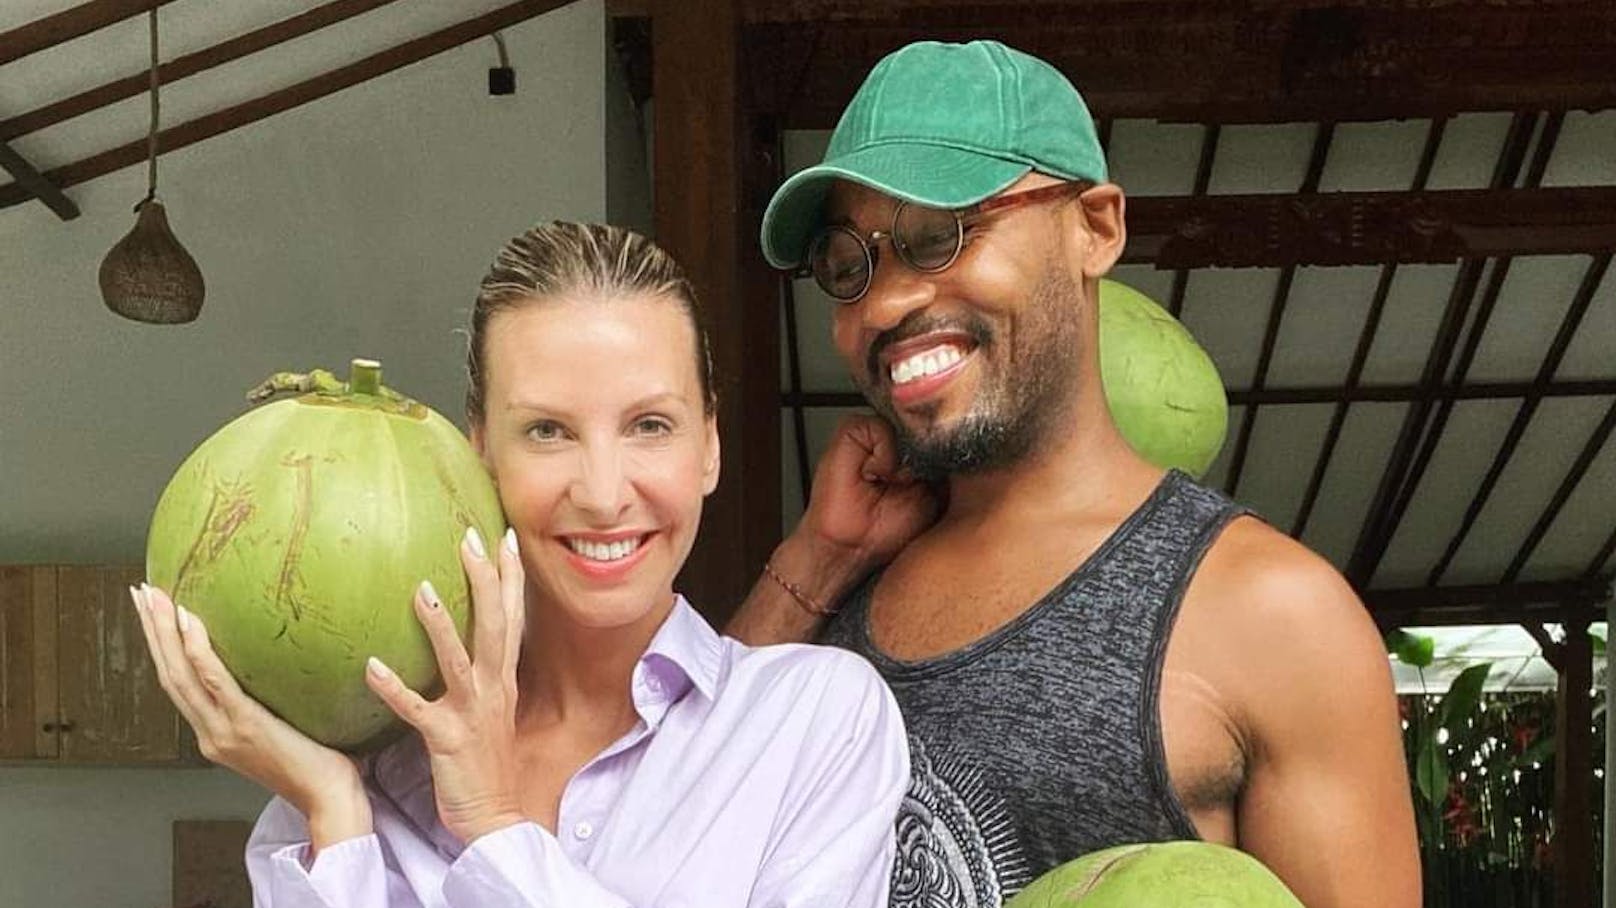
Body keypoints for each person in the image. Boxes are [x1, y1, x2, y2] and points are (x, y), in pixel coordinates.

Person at [727, 40, 1420, 908]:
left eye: (940, 235)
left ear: (1094, 228)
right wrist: (818, 562)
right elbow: (677, 820)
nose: (886, 302)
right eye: (847, 264)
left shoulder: (1271, 613)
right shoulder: (841, 575)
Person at [132, 222, 908, 908]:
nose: (604, 495)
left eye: (649, 424)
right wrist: (334, 808)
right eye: (546, 431)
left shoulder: (813, 722)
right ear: (479, 454)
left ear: (708, 444)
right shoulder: (364, 782)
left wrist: (494, 827)